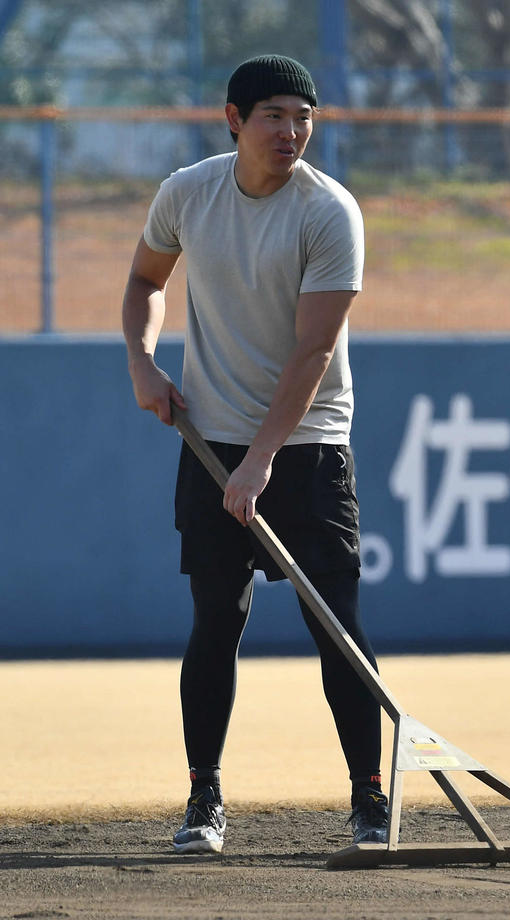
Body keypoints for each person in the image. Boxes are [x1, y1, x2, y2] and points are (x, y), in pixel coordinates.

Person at [121, 54, 388, 854]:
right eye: (274, 115)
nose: (291, 132)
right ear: (234, 120)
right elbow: (145, 281)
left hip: (306, 444)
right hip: (211, 440)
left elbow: (314, 351)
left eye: (304, 118)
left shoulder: (329, 212)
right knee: (216, 620)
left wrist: (262, 459)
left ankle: (370, 800)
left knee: (336, 623)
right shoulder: (187, 193)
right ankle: (204, 797)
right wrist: (142, 361)